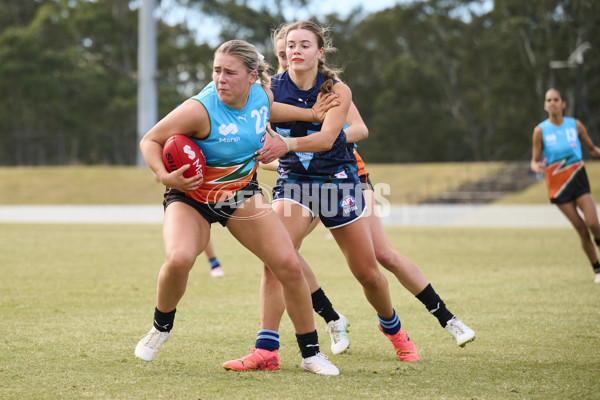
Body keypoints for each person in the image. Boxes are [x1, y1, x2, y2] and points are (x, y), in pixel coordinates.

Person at [222, 21, 419, 373]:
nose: (295, 51)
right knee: (276, 259)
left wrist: (286, 144)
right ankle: (267, 349)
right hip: (294, 182)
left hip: (338, 182)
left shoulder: (338, 91)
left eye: (304, 45)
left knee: (368, 274)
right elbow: (253, 129)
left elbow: (329, 138)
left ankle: (393, 328)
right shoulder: (268, 90)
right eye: (290, 45)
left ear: (319, 52)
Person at [135, 39, 341, 375]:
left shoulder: (262, 93)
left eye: (229, 72)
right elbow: (150, 140)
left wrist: (311, 114)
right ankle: (160, 328)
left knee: (287, 264)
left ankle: (311, 354)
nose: (220, 79)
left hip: (240, 194)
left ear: (251, 77)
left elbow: (269, 110)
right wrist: (164, 175)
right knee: (179, 259)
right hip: (192, 197)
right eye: (216, 71)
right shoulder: (199, 109)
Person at [531, 88, 600, 284]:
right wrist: (538, 166)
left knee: (594, 223)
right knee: (582, 229)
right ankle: (597, 268)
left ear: (563, 103)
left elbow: (592, 148)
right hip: (559, 187)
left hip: (579, 180)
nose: (552, 103)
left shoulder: (575, 126)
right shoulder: (540, 131)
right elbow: (534, 161)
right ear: (545, 105)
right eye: (548, 100)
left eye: (556, 100)